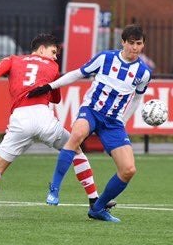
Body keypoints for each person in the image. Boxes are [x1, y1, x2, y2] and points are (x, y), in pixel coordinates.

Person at [0, 33, 113, 220]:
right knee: (76, 151)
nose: (55, 56)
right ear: (41, 49)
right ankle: (94, 200)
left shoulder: (13, 59)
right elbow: (56, 99)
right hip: (44, 119)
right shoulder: (52, 66)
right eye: (53, 51)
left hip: (20, 121)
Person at [27, 24, 151, 223]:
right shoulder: (105, 58)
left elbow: (137, 98)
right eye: (131, 43)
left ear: (143, 44)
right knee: (76, 136)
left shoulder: (143, 73)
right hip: (92, 111)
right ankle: (55, 188)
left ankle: (98, 208)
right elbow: (77, 73)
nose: (134, 48)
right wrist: (50, 86)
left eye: (139, 44)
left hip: (113, 122)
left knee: (128, 170)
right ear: (123, 42)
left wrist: (123, 120)